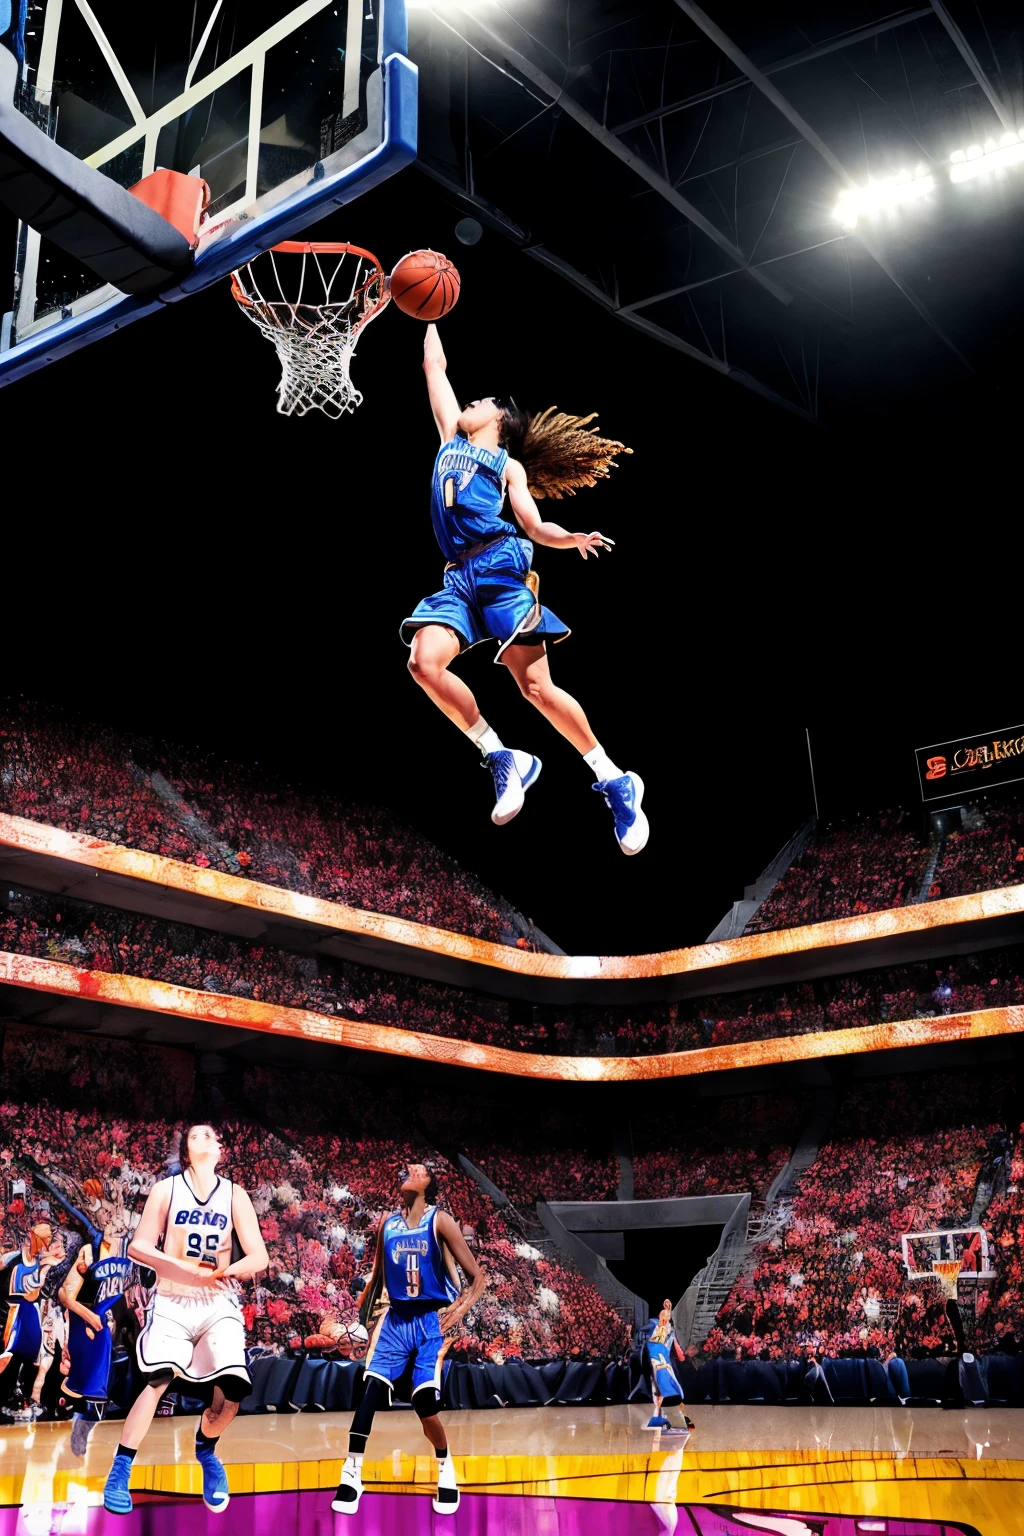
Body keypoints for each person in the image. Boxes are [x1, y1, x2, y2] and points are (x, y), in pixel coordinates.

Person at [401, 324, 648, 855]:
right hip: (459, 577)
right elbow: (435, 369)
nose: (469, 400)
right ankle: (501, 755)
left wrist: (571, 537)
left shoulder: (506, 464)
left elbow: (534, 525)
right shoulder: (449, 436)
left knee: (535, 688)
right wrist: (429, 309)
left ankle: (614, 778)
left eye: (481, 400)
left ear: (499, 421)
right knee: (423, 663)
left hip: (500, 568)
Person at [101, 1125, 269, 1517]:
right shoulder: (166, 1189)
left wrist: (230, 1271)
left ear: (221, 1151)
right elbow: (141, 1245)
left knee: (232, 1395)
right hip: (173, 1300)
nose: (208, 1140)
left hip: (217, 1300)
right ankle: (121, 1467)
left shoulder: (234, 1193)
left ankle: (207, 1453)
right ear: (186, 1150)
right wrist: (179, 1266)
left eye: (213, 1136)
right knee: (158, 1379)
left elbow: (259, 1256)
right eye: (198, 1136)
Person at [332, 1162, 486, 1518]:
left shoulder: (441, 1221)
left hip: (429, 1322)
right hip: (395, 1319)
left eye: (420, 1169)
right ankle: (352, 1471)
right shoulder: (388, 1223)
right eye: (409, 1167)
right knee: (369, 1391)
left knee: (425, 1405)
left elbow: (478, 1276)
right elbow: (376, 1278)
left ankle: (446, 1467)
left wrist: (460, 1310)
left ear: (430, 1184)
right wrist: (359, 1320)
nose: (410, 1169)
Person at [1, 1223, 65, 1403]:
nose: (27, 1242)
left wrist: (46, 1264)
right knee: (7, 1352)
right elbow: (28, 1292)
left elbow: (33, 1293)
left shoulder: (42, 1260)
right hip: (11, 1311)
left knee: (29, 1352)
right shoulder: (13, 1259)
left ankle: (17, 1391)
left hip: (29, 1311)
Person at [643, 1300, 692, 1432]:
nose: (664, 1321)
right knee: (664, 1392)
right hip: (659, 1364)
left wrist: (668, 1310)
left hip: (663, 1364)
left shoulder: (666, 1331)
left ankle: (671, 1419)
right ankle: (661, 1419)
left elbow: (667, 1326)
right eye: (664, 1319)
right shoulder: (658, 1333)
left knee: (666, 1392)